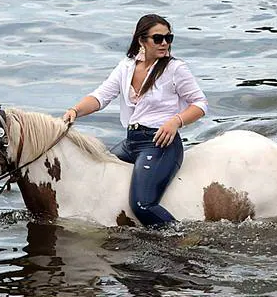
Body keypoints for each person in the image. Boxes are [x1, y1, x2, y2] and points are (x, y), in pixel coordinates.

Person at [61, 13, 208, 226]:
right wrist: (75, 111)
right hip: (132, 142)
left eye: (169, 38)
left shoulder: (175, 69)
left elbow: (200, 103)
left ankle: (183, 238)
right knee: (97, 179)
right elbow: (100, 97)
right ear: (141, 40)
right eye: (158, 38)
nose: (164, 43)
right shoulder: (126, 67)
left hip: (160, 144)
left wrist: (176, 121)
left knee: (142, 205)